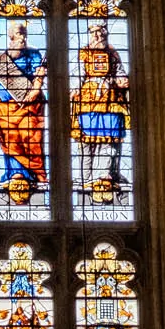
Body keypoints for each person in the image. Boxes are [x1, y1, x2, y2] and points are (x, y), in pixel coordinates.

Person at [0, 20, 47, 200]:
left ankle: (31, 173)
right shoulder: (1, 58)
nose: (22, 37)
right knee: (9, 138)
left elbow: (39, 72)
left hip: (28, 106)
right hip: (4, 107)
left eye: (23, 33)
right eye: (18, 33)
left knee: (30, 135)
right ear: (11, 36)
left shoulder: (33, 54)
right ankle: (15, 173)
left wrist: (36, 89)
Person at [71, 18, 130, 202]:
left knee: (109, 140)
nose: (98, 35)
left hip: (110, 100)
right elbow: (76, 75)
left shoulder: (113, 53)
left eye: (101, 31)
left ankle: (104, 175)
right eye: (94, 32)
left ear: (106, 32)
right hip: (88, 100)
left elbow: (120, 73)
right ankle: (85, 177)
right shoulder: (84, 54)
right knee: (86, 142)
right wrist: (74, 89)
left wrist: (122, 81)